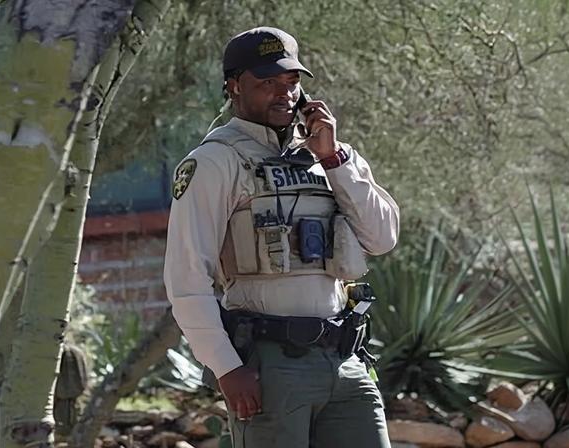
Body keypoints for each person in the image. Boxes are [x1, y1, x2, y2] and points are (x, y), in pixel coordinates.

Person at [163, 27, 400, 447]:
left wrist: (333, 160)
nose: (284, 94)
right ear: (234, 87)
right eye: (267, 82)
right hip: (269, 365)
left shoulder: (331, 155)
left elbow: (382, 238)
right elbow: (186, 277)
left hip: (345, 359)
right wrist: (226, 367)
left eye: (291, 81)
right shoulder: (215, 161)